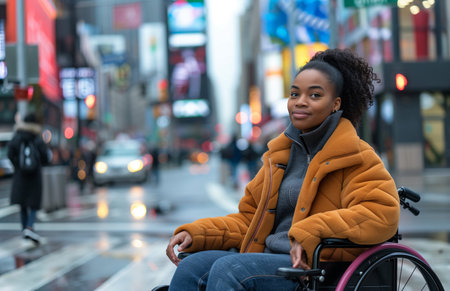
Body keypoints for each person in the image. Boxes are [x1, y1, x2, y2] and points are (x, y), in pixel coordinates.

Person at [165, 49, 400, 290]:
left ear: (335, 104)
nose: (300, 101)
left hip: (315, 266)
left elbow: (381, 213)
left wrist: (310, 231)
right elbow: (249, 221)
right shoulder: (278, 156)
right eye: (295, 94)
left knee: (229, 270)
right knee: (191, 267)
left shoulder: (356, 155)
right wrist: (198, 233)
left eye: (315, 95)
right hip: (267, 257)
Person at [7, 113, 50, 244]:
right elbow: (45, 157)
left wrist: (17, 166)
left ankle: (25, 230)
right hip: (34, 176)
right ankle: (29, 227)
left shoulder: (17, 136)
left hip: (20, 175)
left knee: (23, 204)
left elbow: (10, 153)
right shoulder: (37, 138)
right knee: (34, 204)